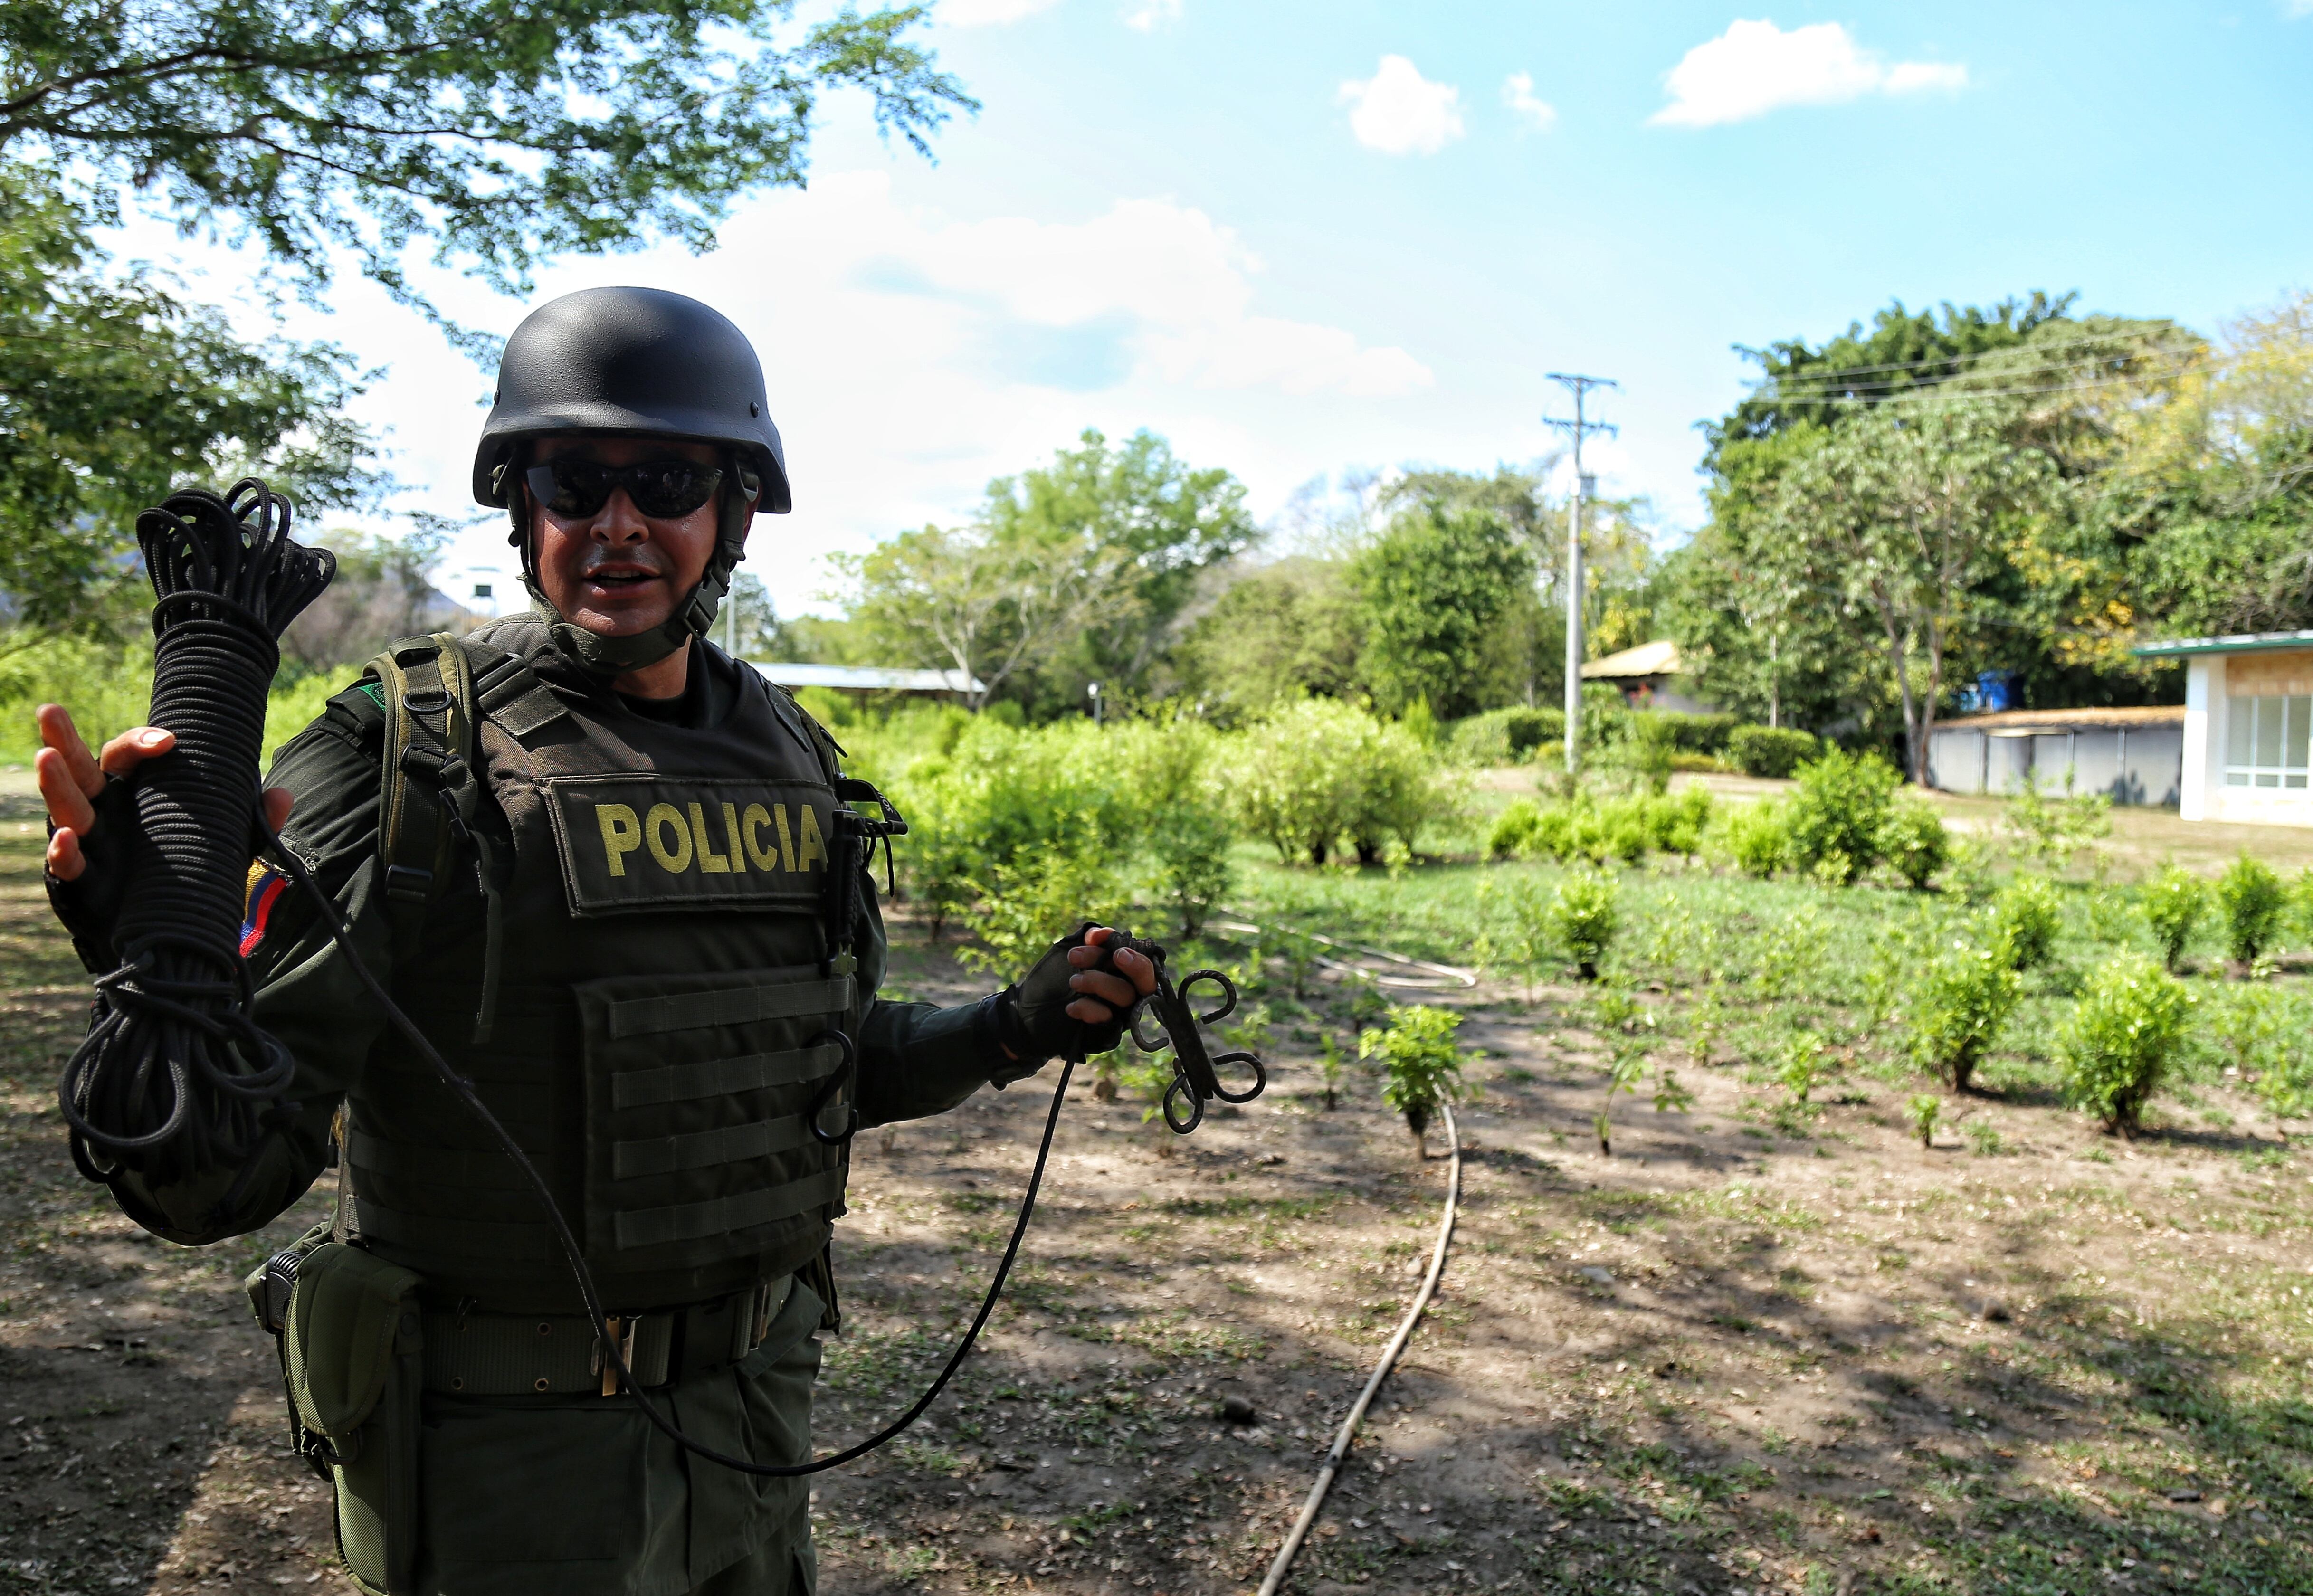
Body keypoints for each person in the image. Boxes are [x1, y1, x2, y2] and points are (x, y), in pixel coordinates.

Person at [37, 286, 1154, 1596]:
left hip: (755, 1438)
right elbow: (207, 1185)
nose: (617, 523)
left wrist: (1009, 1028)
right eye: (574, 482)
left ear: (736, 512)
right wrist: (155, 957)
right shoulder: (404, 761)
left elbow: (819, 1066)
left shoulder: (791, 756)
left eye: (666, 481)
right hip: (508, 1477)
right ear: (524, 512)